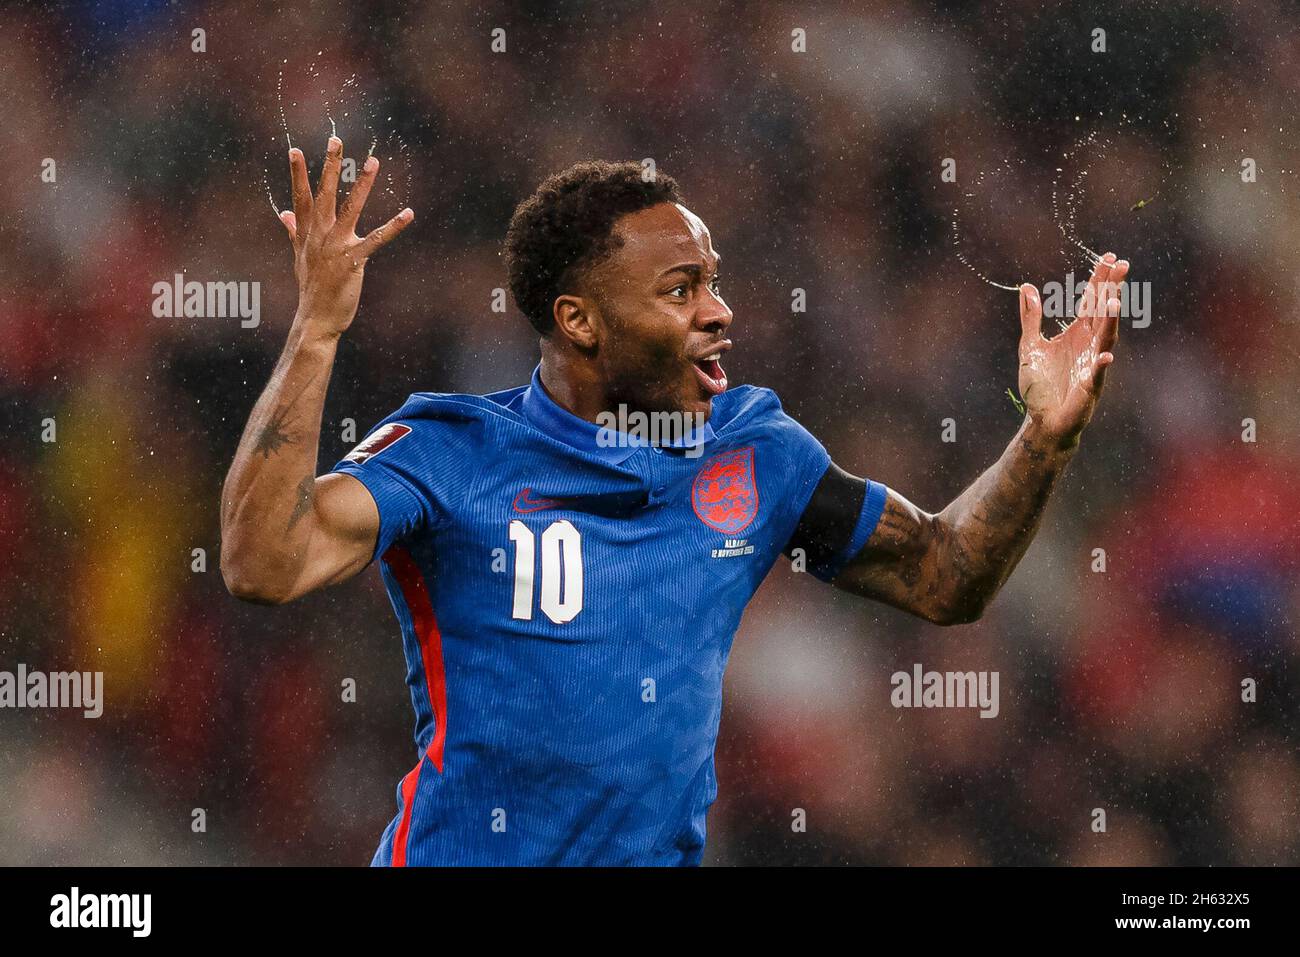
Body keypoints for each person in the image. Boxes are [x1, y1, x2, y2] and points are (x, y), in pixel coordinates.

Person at [219, 136, 1130, 865]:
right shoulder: (455, 452)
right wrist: (318, 329)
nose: (720, 311)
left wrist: (1045, 437)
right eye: (681, 289)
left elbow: (947, 574)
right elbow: (263, 561)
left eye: (715, 280)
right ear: (578, 319)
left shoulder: (755, 453)